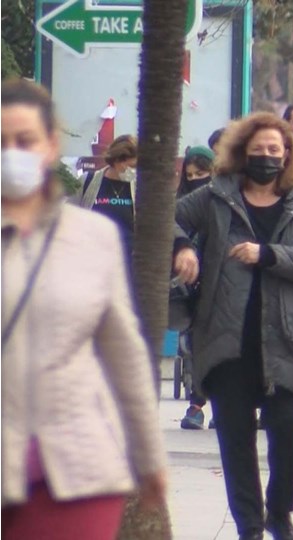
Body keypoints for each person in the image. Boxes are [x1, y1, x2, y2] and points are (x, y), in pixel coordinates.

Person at [1, 79, 167, 539]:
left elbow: (125, 353)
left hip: (76, 469)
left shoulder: (93, 238)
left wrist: (148, 455)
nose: (12, 153)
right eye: (1, 143)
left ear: (51, 146)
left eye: (25, 141)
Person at [172, 112, 293, 540]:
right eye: (258, 150)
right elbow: (168, 218)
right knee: (235, 439)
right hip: (226, 339)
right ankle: (250, 527)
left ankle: (280, 512)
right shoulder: (214, 197)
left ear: (288, 155)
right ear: (242, 152)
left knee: (287, 435)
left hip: (286, 338)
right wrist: (184, 247)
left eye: (274, 151)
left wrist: (269, 255)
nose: (265, 157)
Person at [178, 145, 216, 430]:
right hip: (191, 284)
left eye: (201, 174)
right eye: (190, 175)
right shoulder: (181, 204)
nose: (195, 180)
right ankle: (196, 403)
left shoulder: (221, 201)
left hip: (221, 281)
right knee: (195, 345)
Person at [78, 134, 137, 266]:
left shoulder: (136, 188)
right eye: (131, 166)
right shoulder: (88, 182)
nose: (133, 171)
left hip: (126, 265)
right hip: (91, 261)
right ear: (117, 161)